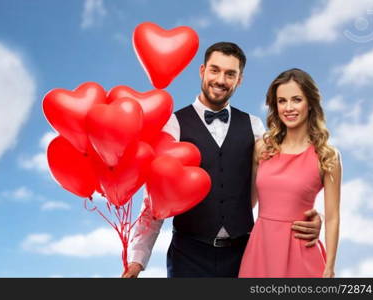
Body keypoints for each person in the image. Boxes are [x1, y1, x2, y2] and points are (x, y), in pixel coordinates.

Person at [122, 42, 322, 278]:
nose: (220, 80)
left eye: (230, 74)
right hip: (188, 257)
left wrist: (309, 216)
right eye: (215, 70)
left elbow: (283, 182)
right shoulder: (172, 125)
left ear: (240, 80)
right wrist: (137, 260)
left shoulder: (255, 126)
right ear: (202, 71)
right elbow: (154, 200)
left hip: (244, 255)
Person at [238, 68, 341, 278]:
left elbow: (332, 217)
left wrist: (329, 267)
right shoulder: (262, 149)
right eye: (282, 101)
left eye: (296, 99)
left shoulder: (326, 156)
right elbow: (248, 203)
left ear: (310, 103)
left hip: (302, 253)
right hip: (260, 251)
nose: (289, 107)